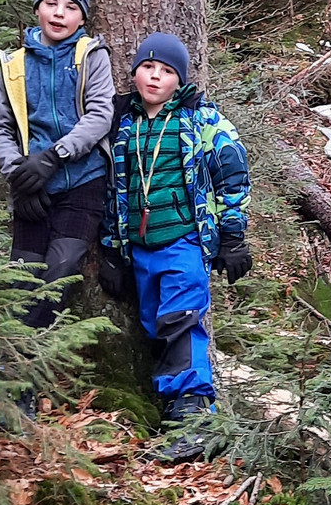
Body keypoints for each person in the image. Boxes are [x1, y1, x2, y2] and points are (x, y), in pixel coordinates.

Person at [103, 31, 251, 442]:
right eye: (147, 67)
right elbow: (112, 190)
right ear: (134, 72)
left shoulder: (200, 120)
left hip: (184, 240)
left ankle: (195, 413)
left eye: (167, 71)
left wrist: (233, 237)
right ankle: (174, 408)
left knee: (181, 319)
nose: (155, 77)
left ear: (180, 80)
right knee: (154, 323)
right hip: (139, 247)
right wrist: (112, 250)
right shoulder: (122, 124)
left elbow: (233, 176)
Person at [0, 0, 114, 330]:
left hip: (82, 181)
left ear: (82, 18)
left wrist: (55, 156)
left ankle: (28, 351)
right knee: (22, 275)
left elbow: (100, 115)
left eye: (71, 7)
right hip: (32, 185)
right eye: (51, 3)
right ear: (37, 9)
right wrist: (19, 175)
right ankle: (15, 351)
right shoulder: (14, 65)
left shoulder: (92, 56)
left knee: (61, 268)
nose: (59, 13)